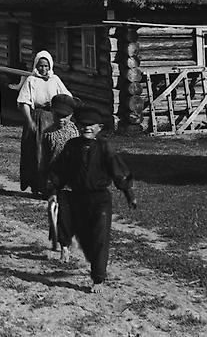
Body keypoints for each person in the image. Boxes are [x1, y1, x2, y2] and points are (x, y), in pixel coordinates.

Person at [47, 107, 136, 292]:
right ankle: (65, 245)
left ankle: (98, 278)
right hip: (77, 196)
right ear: (78, 126)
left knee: (99, 236)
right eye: (83, 124)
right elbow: (60, 170)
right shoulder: (72, 146)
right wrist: (53, 189)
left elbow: (118, 172)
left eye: (91, 125)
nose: (86, 128)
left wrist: (129, 194)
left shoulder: (104, 147)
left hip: (99, 199)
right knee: (66, 216)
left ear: (99, 127)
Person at [16, 50, 71, 196]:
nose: (43, 69)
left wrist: (60, 108)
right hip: (37, 118)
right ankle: (36, 184)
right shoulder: (31, 80)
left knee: (53, 152)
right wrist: (30, 121)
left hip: (53, 118)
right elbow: (24, 102)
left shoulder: (55, 80)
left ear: (50, 66)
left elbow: (67, 97)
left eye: (46, 66)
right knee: (36, 152)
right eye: (40, 66)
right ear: (36, 65)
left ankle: (51, 185)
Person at [40, 93, 80, 259]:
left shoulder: (74, 131)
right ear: (52, 113)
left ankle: (67, 237)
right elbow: (45, 159)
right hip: (57, 179)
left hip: (73, 178)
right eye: (58, 115)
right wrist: (47, 180)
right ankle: (63, 245)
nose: (61, 119)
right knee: (59, 211)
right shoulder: (47, 134)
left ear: (71, 115)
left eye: (65, 116)